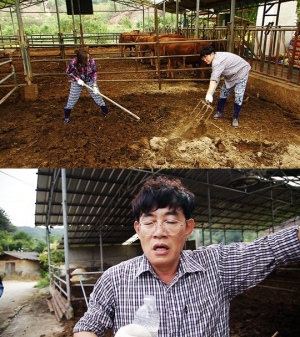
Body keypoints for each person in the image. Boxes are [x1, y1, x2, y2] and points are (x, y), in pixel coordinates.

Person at [73, 176, 300, 337]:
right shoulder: (115, 279)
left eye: (171, 221)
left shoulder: (216, 265)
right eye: (149, 222)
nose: (159, 231)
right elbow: (88, 325)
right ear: (138, 229)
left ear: (188, 227)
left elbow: (271, 249)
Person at [200, 45, 251, 128]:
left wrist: (209, 93)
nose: (205, 60)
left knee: (238, 95)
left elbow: (213, 80)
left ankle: (235, 118)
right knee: (224, 92)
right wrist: (211, 93)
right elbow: (216, 78)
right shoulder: (215, 59)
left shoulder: (217, 62)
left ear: (212, 54)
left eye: (206, 57)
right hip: (230, 75)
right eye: (203, 58)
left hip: (241, 71)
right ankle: (219, 112)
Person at [64, 49, 109, 124]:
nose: (88, 59)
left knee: (98, 96)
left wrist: (94, 84)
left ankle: (106, 113)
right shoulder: (74, 62)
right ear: (81, 59)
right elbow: (68, 72)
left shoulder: (91, 61)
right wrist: (76, 79)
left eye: (88, 57)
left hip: (89, 80)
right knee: (72, 99)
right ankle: (67, 117)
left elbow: (94, 72)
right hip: (77, 82)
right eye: (86, 59)